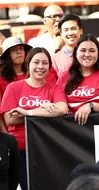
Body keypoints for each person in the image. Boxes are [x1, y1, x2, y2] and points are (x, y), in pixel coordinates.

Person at [1, 47, 68, 190]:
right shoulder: (13, 87)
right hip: (20, 150)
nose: (40, 67)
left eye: (45, 63)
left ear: (49, 66)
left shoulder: (55, 89)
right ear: (28, 64)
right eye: (36, 62)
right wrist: (44, 110)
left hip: (47, 149)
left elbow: (62, 109)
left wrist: (27, 113)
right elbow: (10, 119)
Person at [57, 34, 99, 125]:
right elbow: (57, 103)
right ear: (76, 53)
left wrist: (91, 106)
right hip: (71, 131)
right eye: (83, 50)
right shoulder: (66, 76)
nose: (87, 54)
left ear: (98, 54)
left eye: (92, 51)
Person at [0, 37, 32, 133]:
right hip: (13, 132)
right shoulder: (1, 79)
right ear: (7, 55)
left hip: (36, 128)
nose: (19, 52)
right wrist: (5, 134)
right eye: (13, 50)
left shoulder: (34, 73)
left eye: (21, 49)